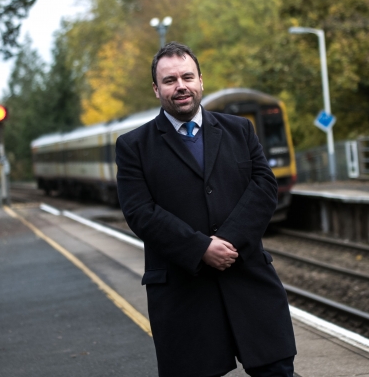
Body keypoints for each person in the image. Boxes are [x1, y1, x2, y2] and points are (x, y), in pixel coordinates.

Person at [115, 42, 297, 377]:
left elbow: (264, 188)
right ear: (156, 89)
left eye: (187, 76)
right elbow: (140, 212)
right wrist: (200, 249)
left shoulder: (239, 130)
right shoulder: (133, 147)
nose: (180, 85)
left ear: (201, 81)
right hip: (184, 294)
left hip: (248, 281)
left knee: (277, 371)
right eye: (170, 80)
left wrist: (225, 242)